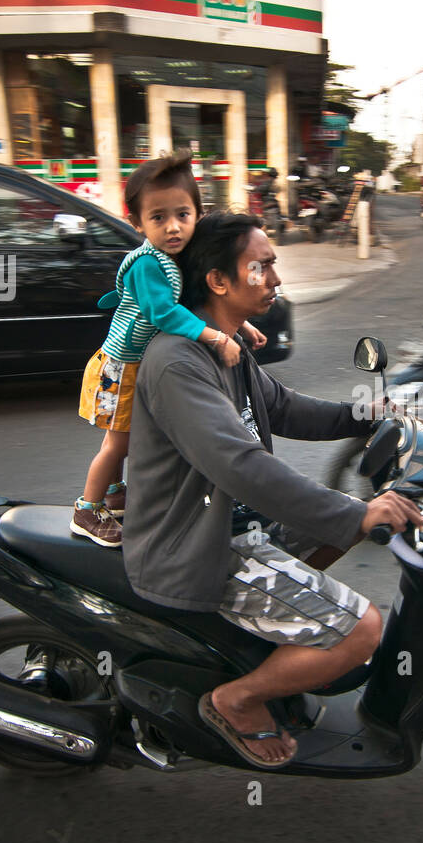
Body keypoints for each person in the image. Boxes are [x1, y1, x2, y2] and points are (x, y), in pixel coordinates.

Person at [122, 212, 423, 768]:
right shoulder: (176, 362)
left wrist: (370, 414)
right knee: (361, 631)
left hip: (239, 527)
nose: (276, 279)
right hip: (200, 545)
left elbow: (283, 407)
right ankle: (234, 699)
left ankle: (277, 640)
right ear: (218, 281)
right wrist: (352, 514)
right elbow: (240, 466)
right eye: (261, 267)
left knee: (355, 517)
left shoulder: (227, 349)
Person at [74, 151, 266, 548]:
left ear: (198, 213)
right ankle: (87, 510)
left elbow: (196, 300)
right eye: (158, 218)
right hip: (122, 366)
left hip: (137, 363)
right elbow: (163, 313)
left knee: (132, 435)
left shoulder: (176, 257)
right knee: (119, 442)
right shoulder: (149, 264)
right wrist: (215, 337)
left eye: (183, 214)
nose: (173, 227)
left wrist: (241, 322)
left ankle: (114, 495)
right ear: (137, 222)